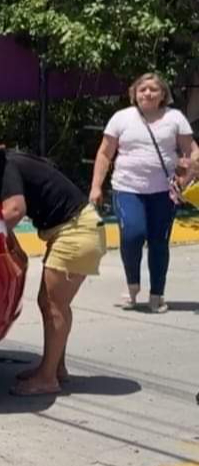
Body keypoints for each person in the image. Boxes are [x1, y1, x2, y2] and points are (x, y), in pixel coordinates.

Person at [0, 136, 107, 396]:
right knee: (53, 304)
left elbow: (14, 211)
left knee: (52, 305)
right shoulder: (11, 161)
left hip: (75, 232)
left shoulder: (7, 168)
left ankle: (47, 378)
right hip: (77, 229)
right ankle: (55, 368)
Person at [90, 72, 199, 313]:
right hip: (127, 188)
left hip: (164, 191)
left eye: (153, 89)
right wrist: (96, 186)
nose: (147, 93)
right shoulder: (122, 118)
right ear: (134, 93)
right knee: (132, 235)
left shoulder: (175, 118)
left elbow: (193, 152)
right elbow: (105, 153)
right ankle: (132, 287)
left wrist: (186, 177)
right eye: (142, 89)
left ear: (163, 95)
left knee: (159, 242)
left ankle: (157, 294)